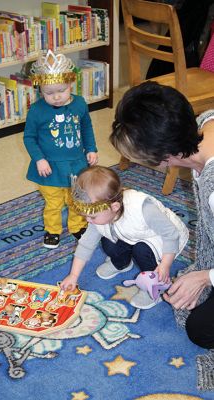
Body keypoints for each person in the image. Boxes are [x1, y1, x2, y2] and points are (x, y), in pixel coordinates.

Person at [110, 80, 214, 390]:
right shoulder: (206, 122)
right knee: (185, 295)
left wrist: (206, 276)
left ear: (165, 156)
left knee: (200, 329)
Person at [60, 165, 188, 309]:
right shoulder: (102, 214)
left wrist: (165, 264)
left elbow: (171, 234)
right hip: (131, 233)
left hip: (162, 237)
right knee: (106, 238)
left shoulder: (143, 209)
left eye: (92, 216)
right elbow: (86, 244)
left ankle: (153, 286)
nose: (88, 220)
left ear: (114, 207)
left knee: (141, 250)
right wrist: (73, 276)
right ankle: (121, 263)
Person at [23, 50, 98, 249]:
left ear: (70, 84)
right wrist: (39, 159)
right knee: (53, 203)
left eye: (62, 91)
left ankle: (77, 226)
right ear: (40, 90)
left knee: (77, 200)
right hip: (49, 168)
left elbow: (86, 127)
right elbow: (29, 137)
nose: (56, 97)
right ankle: (53, 230)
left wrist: (91, 148)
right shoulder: (37, 110)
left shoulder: (80, 104)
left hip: (76, 165)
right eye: (49, 93)